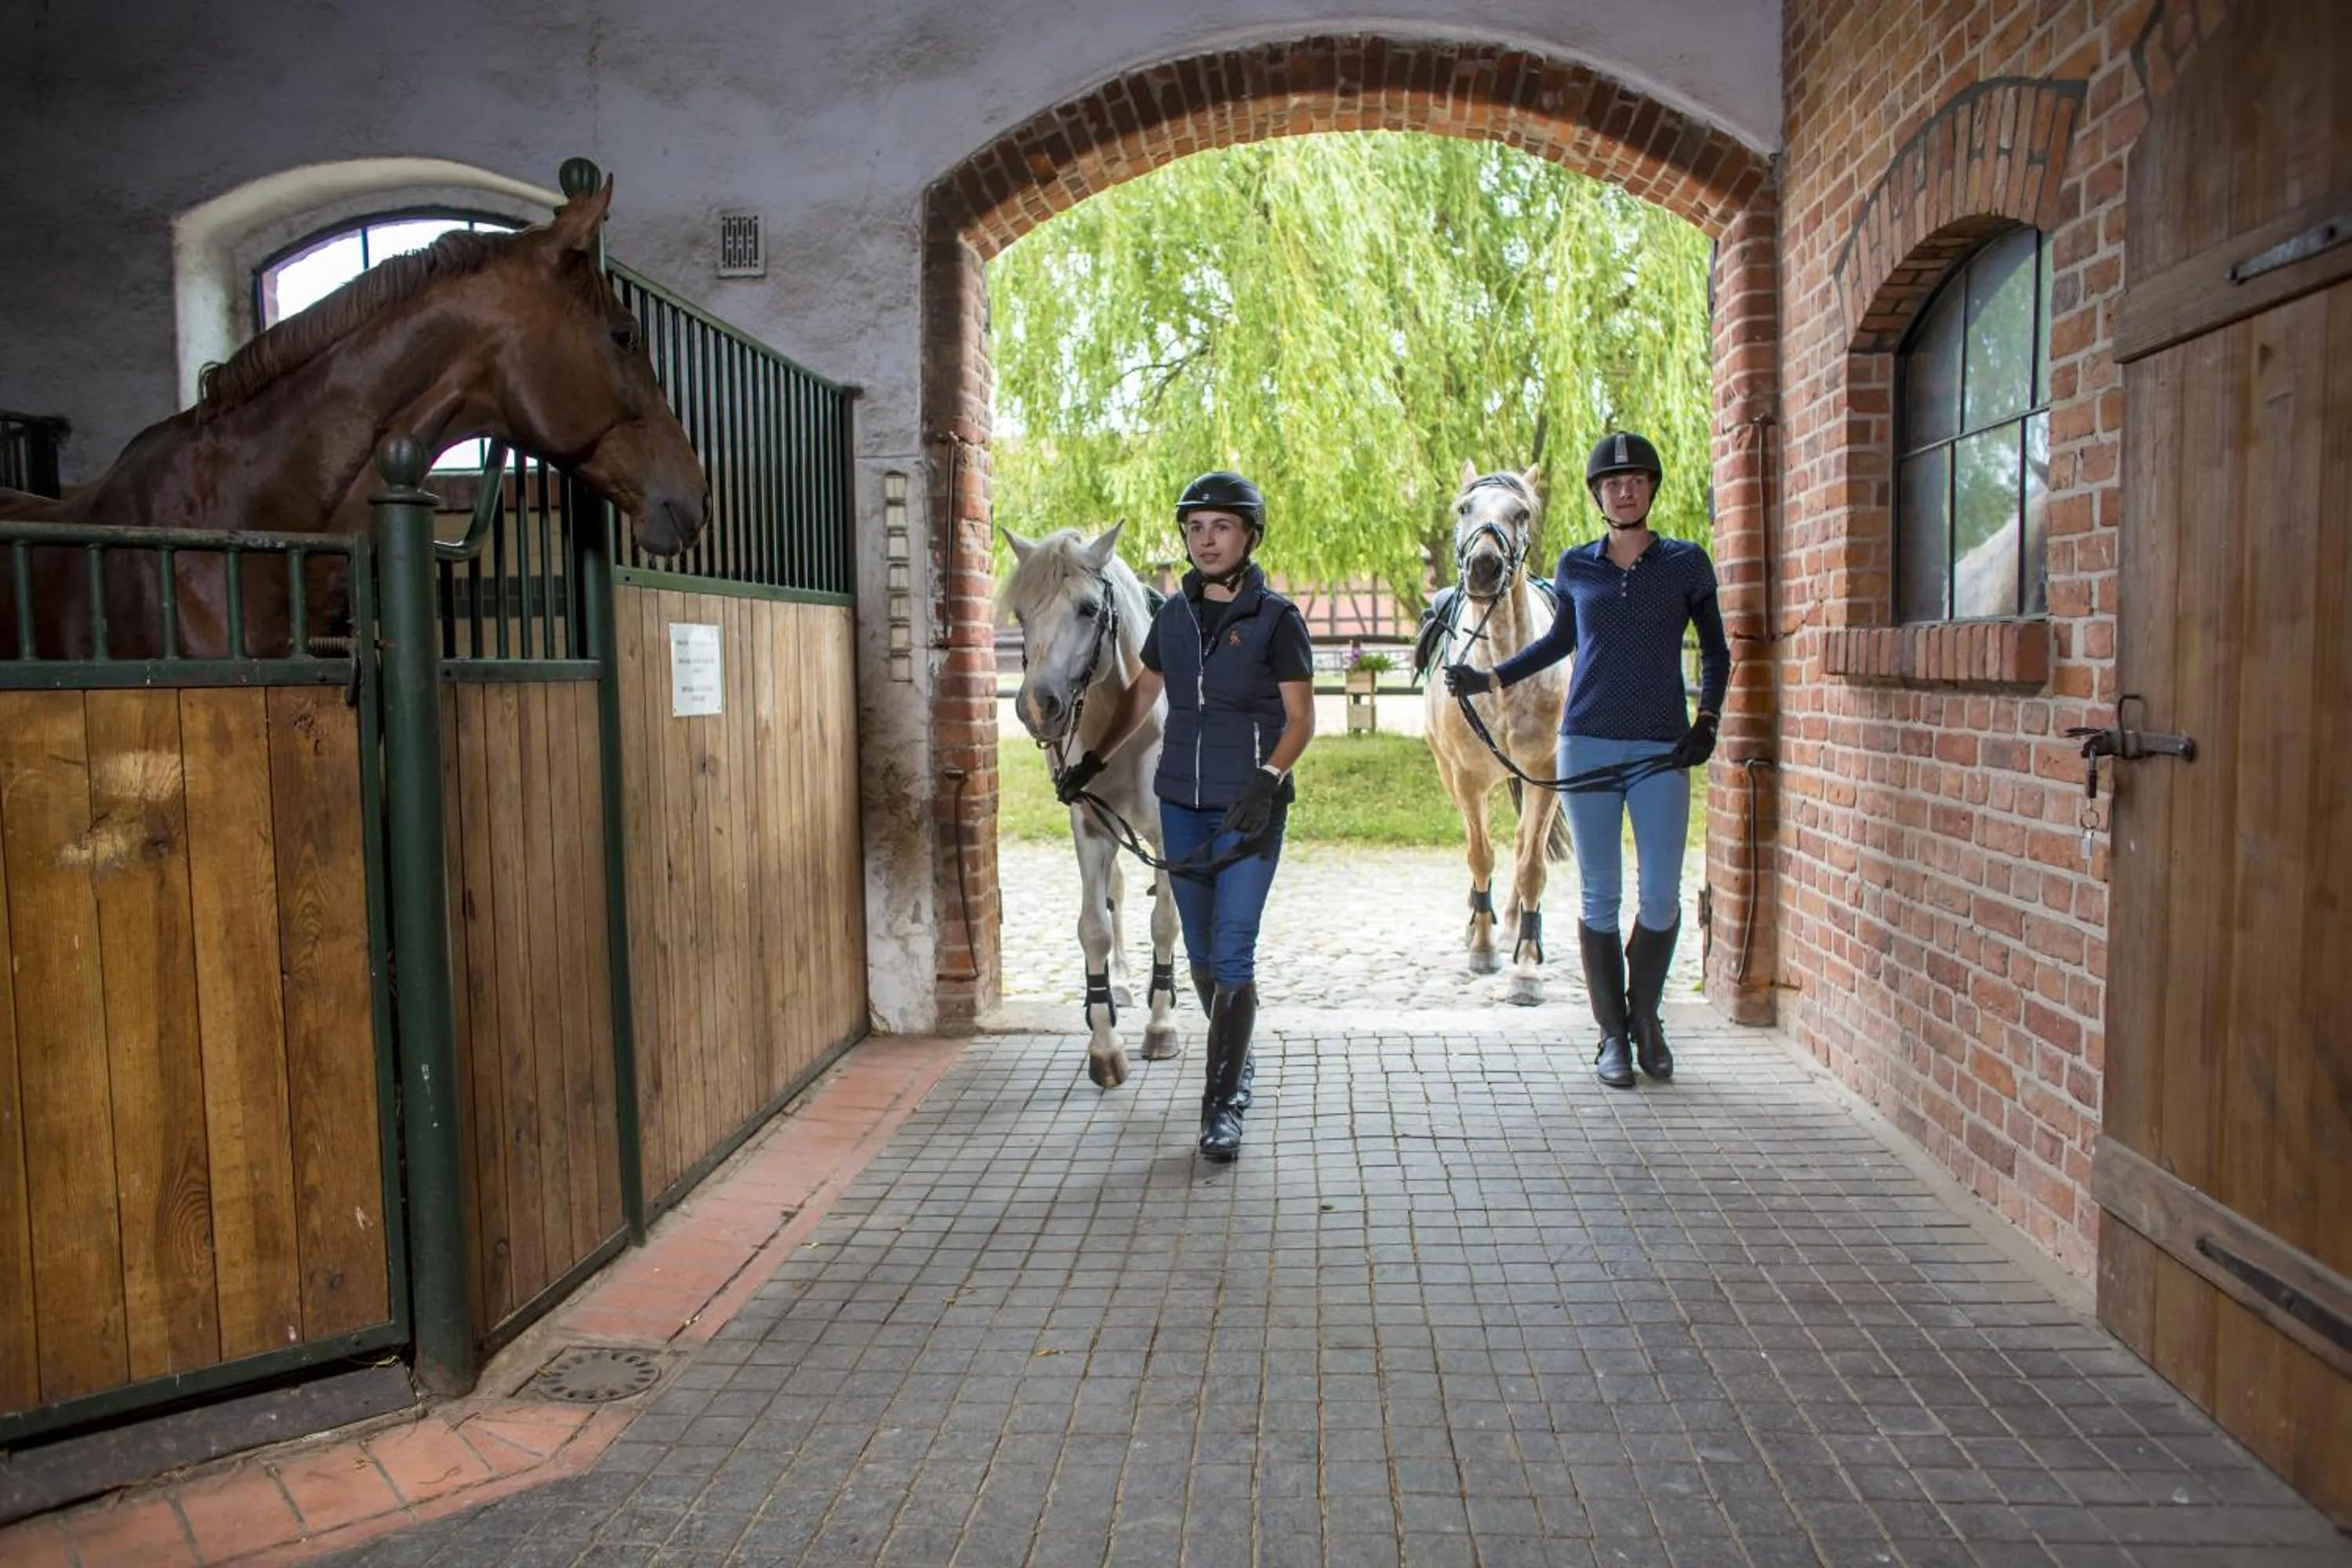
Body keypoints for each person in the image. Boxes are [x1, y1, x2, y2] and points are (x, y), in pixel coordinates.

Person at [1443, 432, 1730, 1089]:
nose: (1623, 490)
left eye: (1635, 480)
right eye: (1611, 482)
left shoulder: (1687, 564)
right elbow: (1558, 643)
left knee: (1659, 895)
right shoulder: (1577, 566)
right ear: (1598, 494)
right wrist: (1490, 680)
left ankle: (1645, 1019)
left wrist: (1707, 719)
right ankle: (1612, 1038)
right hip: (1587, 742)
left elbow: (1715, 651)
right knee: (1601, 895)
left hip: (1661, 746)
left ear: (1651, 489)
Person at [1054, 470, 1316, 1160]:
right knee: (1202, 956)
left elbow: (1300, 718)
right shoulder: (1172, 616)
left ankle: (1222, 1100)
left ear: (1249, 535)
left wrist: (1268, 779)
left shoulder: (1278, 620)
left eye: (1221, 527)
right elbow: (1144, 691)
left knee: (1232, 950)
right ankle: (1238, 1056)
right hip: (1182, 808)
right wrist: (1093, 759)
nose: (1206, 540)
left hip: (1249, 812)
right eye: (1195, 529)